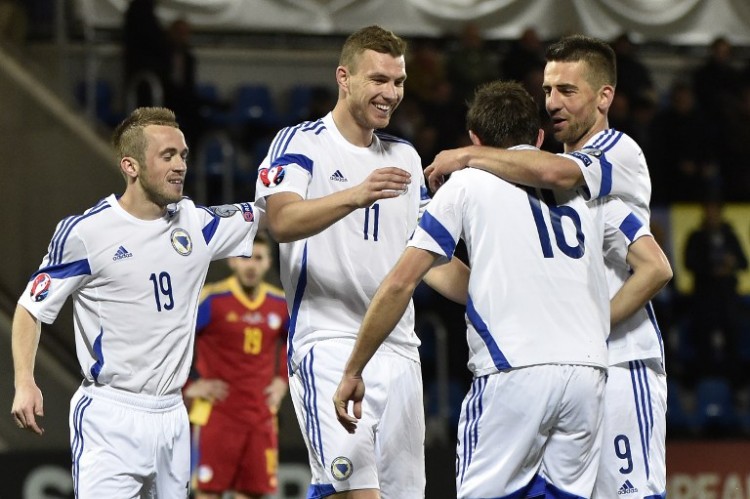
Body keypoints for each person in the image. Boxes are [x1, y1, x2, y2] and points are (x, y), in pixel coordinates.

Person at [334, 80, 669, 498]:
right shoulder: (583, 183)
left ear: (475, 139)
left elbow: (401, 282)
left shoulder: (466, 184)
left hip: (512, 369)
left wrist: (352, 369)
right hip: (588, 371)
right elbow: (656, 264)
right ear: (541, 135)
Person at [425, 35, 670, 498]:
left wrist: (467, 156)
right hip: (573, 366)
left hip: (623, 357)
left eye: (567, 91)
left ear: (605, 97)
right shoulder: (552, 166)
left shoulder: (616, 152)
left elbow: (656, 269)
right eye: (548, 90)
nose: (552, 103)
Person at [254, 25, 468, 499]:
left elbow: (432, 261)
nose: (391, 94)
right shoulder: (301, 144)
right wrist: (355, 194)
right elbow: (282, 221)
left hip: (400, 352)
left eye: (398, 82)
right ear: (343, 78)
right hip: (328, 344)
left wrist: (499, 292)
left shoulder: (407, 158)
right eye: (379, 80)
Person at [10, 107, 261, 497]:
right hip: (111, 415)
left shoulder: (196, 223)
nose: (181, 166)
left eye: (183, 155)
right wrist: (25, 381)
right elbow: (30, 307)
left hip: (173, 414)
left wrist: (351, 192)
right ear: (130, 165)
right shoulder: (87, 233)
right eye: (167, 156)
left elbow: (273, 215)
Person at [184, 231, 290, 499]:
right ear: (232, 261)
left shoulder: (278, 304)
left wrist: (282, 380)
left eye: (258, 258)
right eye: (244, 258)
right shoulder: (212, 300)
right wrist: (189, 385)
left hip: (260, 415)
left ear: (268, 263)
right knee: (208, 493)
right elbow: (175, 340)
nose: (250, 265)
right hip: (217, 415)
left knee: (252, 493)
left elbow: (297, 344)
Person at [684, 199, 748, 384]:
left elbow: (744, 262)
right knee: (704, 342)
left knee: (732, 341)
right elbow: (689, 263)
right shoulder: (696, 236)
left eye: (715, 210)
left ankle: (734, 386)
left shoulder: (730, 236)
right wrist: (711, 270)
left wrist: (732, 263)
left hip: (727, 298)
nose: (712, 214)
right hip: (705, 298)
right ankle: (706, 385)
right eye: (709, 210)